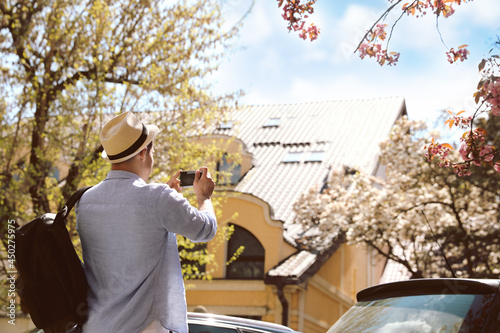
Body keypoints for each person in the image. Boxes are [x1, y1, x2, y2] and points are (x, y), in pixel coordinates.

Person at [76, 112, 217, 333]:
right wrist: (204, 198)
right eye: (152, 152)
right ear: (143, 153)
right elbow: (205, 229)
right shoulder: (157, 198)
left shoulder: (83, 201)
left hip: (96, 327)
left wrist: (163, 200)